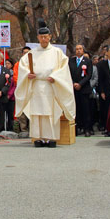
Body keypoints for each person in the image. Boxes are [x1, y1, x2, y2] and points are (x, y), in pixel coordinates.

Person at [14, 19, 75, 147]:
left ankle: (51, 138)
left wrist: (55, 76)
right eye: (41, 37)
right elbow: (22, 66)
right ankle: (38, 138)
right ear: (38, 38)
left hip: (50, 86)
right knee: (37, 113)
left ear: (50, 37)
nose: (43, 39)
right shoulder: (32, 53)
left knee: (50, 112)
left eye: (45, 37)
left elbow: (63, 67)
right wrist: (27, 75)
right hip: (36, 85)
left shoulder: (57, 52)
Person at [69, 44, 97, 136]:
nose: (78, 51)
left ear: (83, 50)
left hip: (84, 88)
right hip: (74, 88)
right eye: (77, 49)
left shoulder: (88, 61)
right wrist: (73, 83)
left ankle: (87, 129)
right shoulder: (71, 61)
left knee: (86, 110)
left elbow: (89, 75)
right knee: (76, 110)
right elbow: (68, 73)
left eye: (80, 49)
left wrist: (80, 84)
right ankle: (76, 129)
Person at [4, 58, 17, 132]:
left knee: (10, 114)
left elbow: (14, 86)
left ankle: (11, 128)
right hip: (4, 96)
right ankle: (3, 127)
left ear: (11, 65)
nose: (7, 65)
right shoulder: (4, 73)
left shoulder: (13, 73)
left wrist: (9, 95)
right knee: (3, 113)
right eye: (6, 63)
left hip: (11, 97)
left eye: (8, 63)